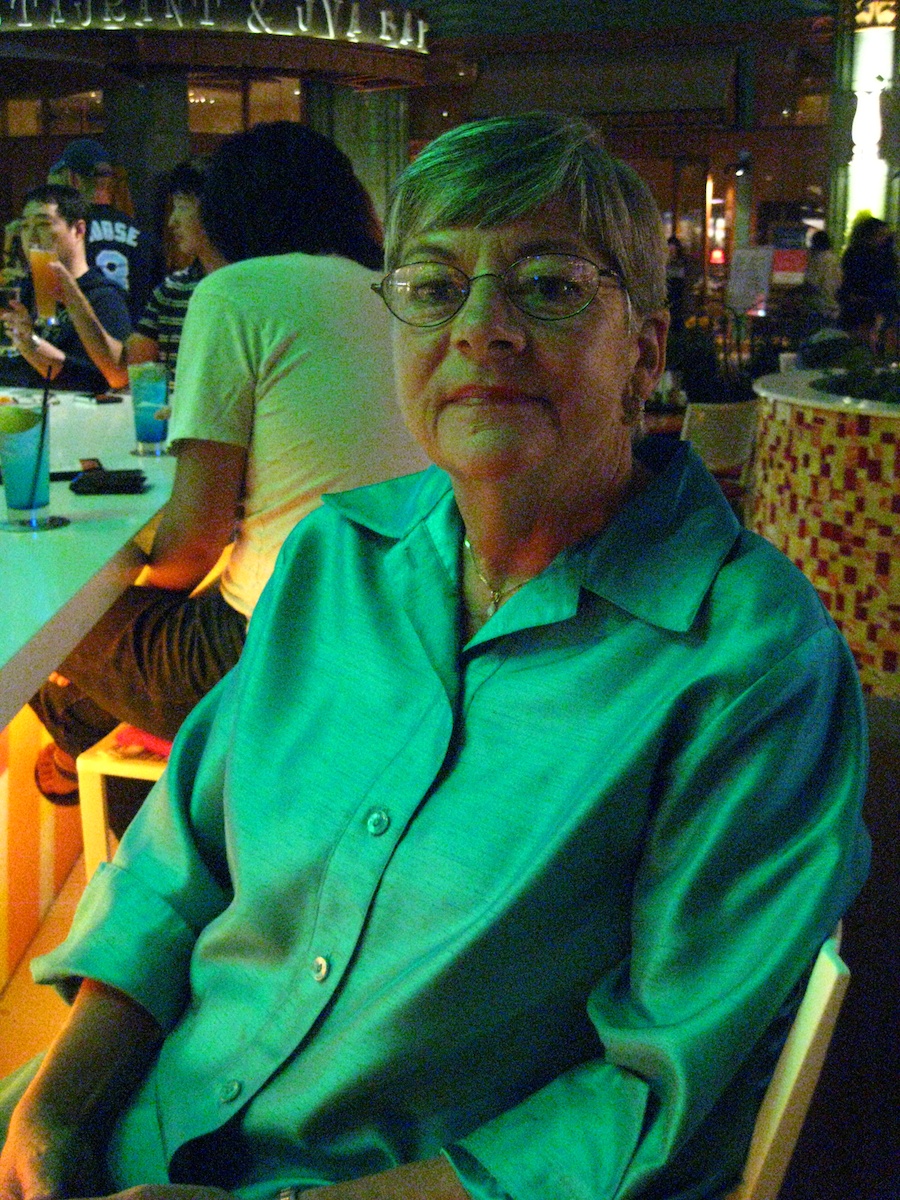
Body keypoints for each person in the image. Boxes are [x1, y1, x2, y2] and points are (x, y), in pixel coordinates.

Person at [1, 113, 869, 1200]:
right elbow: (181, 867)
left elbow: (659, 1099)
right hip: (133, 1120)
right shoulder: (335, 558)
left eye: (548, 286)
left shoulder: (750, 659)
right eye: (434, 286)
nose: (482, 329)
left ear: (644, 351)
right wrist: (56, 1112)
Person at [29, 122, 428, 804]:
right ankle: (78, 750)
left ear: (227, 216)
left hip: (272, 656)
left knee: (51, 607)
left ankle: (85, 756)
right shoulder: (404, 295)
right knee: (122, 628)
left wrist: (121, 585)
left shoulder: (237, 292)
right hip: (405, 636)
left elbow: (194, 543)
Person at [50, 157, 225, 390]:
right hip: (175, 414)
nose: (172, 221)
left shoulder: (252, 288)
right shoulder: (172, 289)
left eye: (182, 207)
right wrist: (73, 297)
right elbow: (121, 371)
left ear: (216, 211)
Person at [0, 184, 132, 394]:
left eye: (43, 224)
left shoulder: (103, 296)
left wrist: (31, 343)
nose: (31, 237)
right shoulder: (22, 291)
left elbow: (104, 381)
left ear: (78, 230)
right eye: (25, 227)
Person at [48, 137, 164, 322]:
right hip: (135, 334)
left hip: (86, 334)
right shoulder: (142, 234)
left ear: (73, 179)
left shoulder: (71, 233)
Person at [803, 228, 841, 323]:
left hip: (819, 307)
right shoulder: (834, 259)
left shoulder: (817, 260)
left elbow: (811, 284)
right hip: (834, 307)